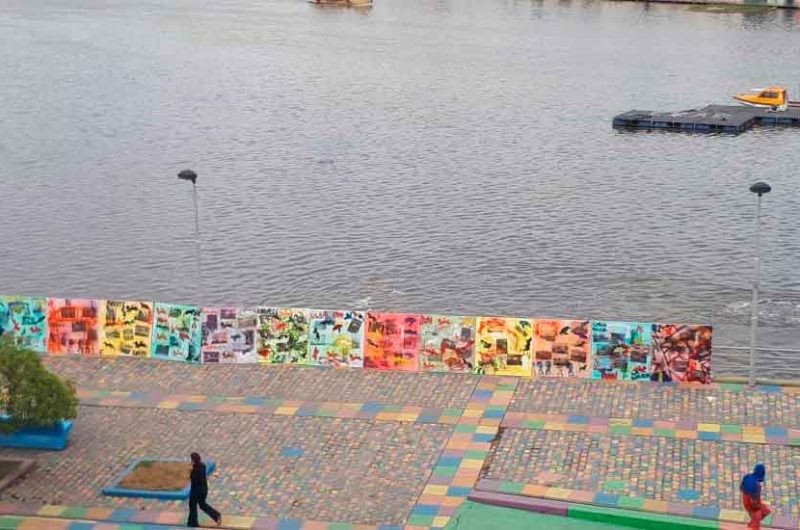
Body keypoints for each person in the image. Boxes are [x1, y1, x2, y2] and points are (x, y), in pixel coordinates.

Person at [187, 452, 222, 528]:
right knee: (202, 505)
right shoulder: (203, 466)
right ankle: (216, 515)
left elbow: (193, 480)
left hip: (196, 491)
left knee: (192, 505)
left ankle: (193, 522)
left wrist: (190, 472)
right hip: (204, 490)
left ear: (193, 461)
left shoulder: (194, 470)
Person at [741, 464, 770, 529]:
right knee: (757, 522)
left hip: (746, 501)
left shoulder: (747, 476)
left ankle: (752, 522)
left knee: (766, 511)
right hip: (754, 505)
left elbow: (741, 487)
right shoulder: (757, 486)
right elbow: (754, 501)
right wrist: (757, 509)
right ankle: (753, 523)